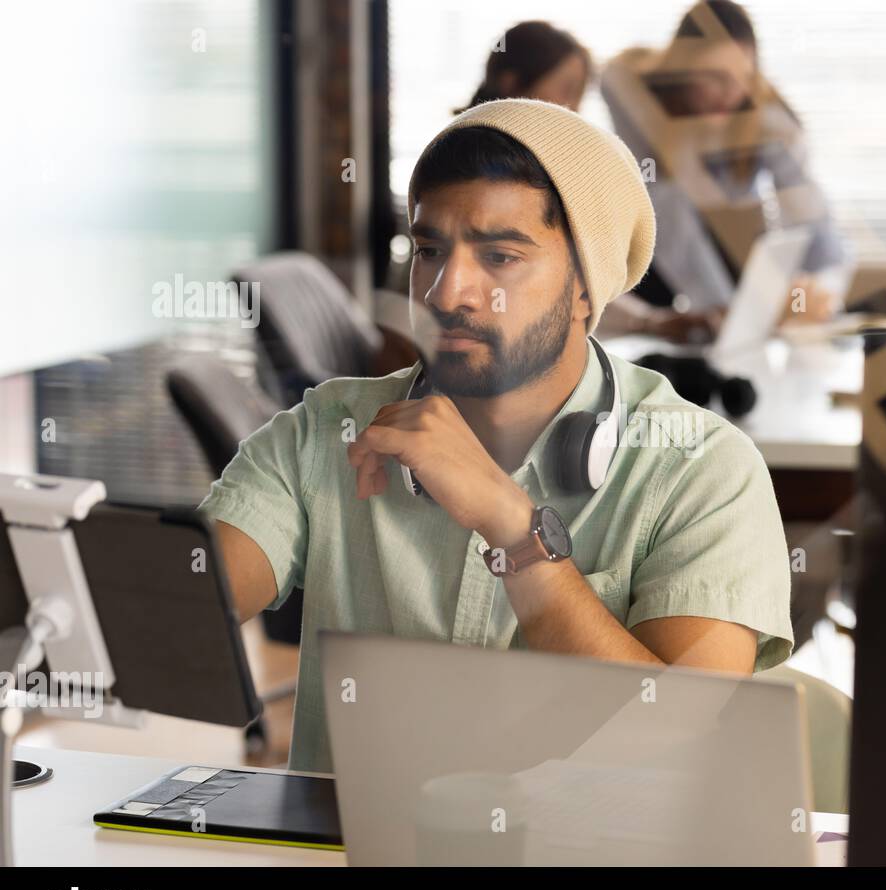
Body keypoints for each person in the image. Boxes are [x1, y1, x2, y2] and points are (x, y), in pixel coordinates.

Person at [200, 100, 795, 773]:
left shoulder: (704, 471)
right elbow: (181, 613)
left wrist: (515, 528)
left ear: (584, 287)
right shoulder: (331, 428)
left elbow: (674, 740)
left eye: (500, 256)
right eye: (430, 250)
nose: (449, 291)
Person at [599, 0, 847, 344]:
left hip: (737, 240)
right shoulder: (631, 86)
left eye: (743, 77)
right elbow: (665, 204)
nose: (731, 94)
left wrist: (820, 288)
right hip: (665, 244)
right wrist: (725, 314)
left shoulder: (767, 117)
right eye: (714, 78)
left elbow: (815, 223)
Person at [456, 21, 591, 114]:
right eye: (567, 90)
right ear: (510, 83)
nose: (574, 108)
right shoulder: (480, 152)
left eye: (579, 95)